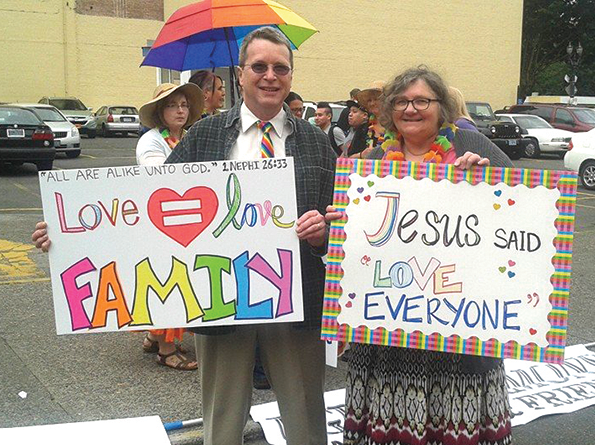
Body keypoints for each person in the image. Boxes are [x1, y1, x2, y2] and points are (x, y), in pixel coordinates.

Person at [166, 27, 336, 445]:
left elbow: (345, 226)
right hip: (221, 296)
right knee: (222, 419)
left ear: (291, 76)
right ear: (240, 74)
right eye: (259, 66)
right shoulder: (204, 136)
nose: (270, 76)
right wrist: (69, 232)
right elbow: (148, 208)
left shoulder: (316, 144)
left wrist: (324, 235)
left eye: (281, 68)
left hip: (295, 298)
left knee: (306, 416)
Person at [326, 67, 513, 445]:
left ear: (440, 106)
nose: (411, 109)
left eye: (422, 101)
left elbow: (519, 220)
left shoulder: (473, 148)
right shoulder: (371, 164)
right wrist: (338, 226)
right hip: (388, 336)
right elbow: (351, 245)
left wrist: (491, 184)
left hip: (460, 331)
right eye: (401, 101)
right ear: (389, 110)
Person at [33, 82, 205, 370]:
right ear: (160, 111)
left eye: (184, 105)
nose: (180, 110)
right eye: (173, 105)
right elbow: (161, 175)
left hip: (178, 220)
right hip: (156, 223)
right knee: (165, 278)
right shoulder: (151, 141)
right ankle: (166, 349)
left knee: (175, 277)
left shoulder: (186, 137)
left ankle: (153, 335)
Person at [353, 80, 386, 159]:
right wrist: (361, 154)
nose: (372, 103)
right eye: (369, 100)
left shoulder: (396, 127)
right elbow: (349, 157)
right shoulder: (363, 128)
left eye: (376, 99)